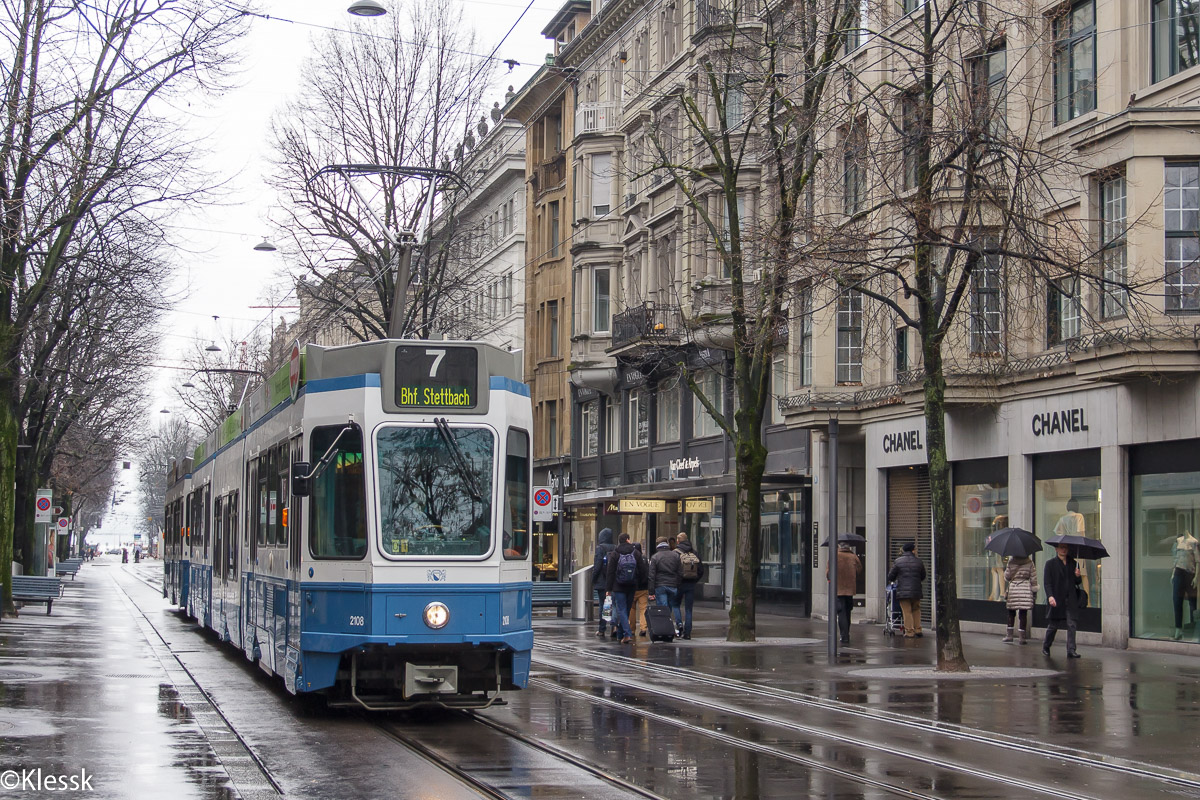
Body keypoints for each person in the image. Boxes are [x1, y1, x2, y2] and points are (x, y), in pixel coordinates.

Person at [606, 532, 648, 644]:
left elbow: (610, 572)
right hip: (632, 585)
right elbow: (643, 570)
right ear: (628, 540)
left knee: (621, 610)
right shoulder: (636, 553)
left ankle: (627, 634)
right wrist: (641, 583)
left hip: (618, 586)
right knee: (627, 609)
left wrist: (608, 588)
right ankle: (621, 634)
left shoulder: (615, 553)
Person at [1043, 543, 1083, 658]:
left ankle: (1071, 649)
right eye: (1061, 547)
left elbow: (1077, 582)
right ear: (1056, 549)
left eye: (1065, 547)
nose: (1064, 550)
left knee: (1071, 624)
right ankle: (1046, 645)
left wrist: (1077, 576)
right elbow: (1047, 583)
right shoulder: (1050, 564)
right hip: (1057, 599)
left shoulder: (1073, 563)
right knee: (1053, 625)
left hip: (1070, 599)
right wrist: (1050, 596)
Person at [886, 541, 926, 638]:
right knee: (916, 609)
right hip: (916, 591)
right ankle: (918, 630)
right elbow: (923, 576)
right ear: (913, 550)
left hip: (903, 592)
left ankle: (909, 631)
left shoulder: (898, 561)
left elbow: (891, 576)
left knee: (906, 611)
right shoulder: (919, 561)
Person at [826, 543, 862, 645]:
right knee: (848, 611)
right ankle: (847, 632)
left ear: (839, 547)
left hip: (838, 588)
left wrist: (831, 579)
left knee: (841, 612)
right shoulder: (853, 556)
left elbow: (828, 573)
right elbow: (859, 570)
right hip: (850, 588)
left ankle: (844, 635)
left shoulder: (834, 556)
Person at [648, 536, 683, 634]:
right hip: (673, 585)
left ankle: (665, 629)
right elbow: (680, 572)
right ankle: (678, 624)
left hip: (660, 585)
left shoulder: (655, 557)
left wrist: (651, 591)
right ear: (667, 543)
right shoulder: (675, 555)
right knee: (673, 606)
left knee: (663, 608)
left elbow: (651, 575)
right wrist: (677, 584)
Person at [675, 532, 705, 639]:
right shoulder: (694, 553)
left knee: (675, 605)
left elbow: (674, 570)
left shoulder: (676, 553)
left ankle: (679, 625)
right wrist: (694, 580)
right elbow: (701, 570)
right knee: (688, 609)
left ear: (678, 541)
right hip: (691, 585)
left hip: (679, 584)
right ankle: (687, 633)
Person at [1003, 554, 1038, 644]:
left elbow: (1007, 577)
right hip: (1025, 589)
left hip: (1014, 588)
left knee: (1011, 612)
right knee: (1023, 613)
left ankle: (1009, 635)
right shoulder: (1030, 562)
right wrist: (1034, 591)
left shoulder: (1011, 562)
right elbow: (1033, 579)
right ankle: (1022, 638)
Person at [1171, 530, 1198, 640]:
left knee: (1192, 601)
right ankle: (1178, 629)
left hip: (1190, 573)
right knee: (1177, 600)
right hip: (1178, 571)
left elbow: (1198, 560)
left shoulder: (1194, 542)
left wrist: (1196, 577)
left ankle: (1193, 627)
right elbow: (1176, 559)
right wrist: (1173, 574)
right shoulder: (1178, 541)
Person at [591, 528, 617, 638]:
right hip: (614, 582)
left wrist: (593, 579)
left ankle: (602, 629)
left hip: (602, 583)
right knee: (614, 605)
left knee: (605, 605)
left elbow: (597, 566)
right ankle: (614, 626)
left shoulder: (600, 548)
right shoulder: (615, 548)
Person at [629, 542, 651, 638]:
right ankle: (643, 628)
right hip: (643, 588)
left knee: (632, 609)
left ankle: (632, 629)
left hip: (632, 588)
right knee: (643, 609)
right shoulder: (644, 559)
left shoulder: (629, 558)